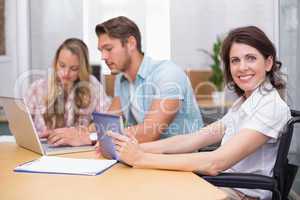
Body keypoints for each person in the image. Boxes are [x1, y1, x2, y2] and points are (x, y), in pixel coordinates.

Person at [106, 26, 291, 200]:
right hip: (221, 185)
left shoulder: (271, 107)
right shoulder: (245, 103)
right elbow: (193, 139)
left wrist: (140, 157)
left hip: (238, 193)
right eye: (235, 60)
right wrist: (128, 148)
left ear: (268, 63)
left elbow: (215, 163)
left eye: (251, 58)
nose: (242, 67)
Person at [95, 16, 203, 143]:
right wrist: (82, 132)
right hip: (149, 154)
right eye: (101, 51)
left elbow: (149, 132)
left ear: (131, 43)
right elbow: (108, 123)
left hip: (184, 157)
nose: (103, 57)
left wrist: (91, 136)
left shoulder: (167, 73)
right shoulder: (121, 79)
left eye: (108, 49)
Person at [25, 38, 111, 146]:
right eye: (62, 65)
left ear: (82, 69)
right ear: (55, 63)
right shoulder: (37, 88)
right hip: (44, 146)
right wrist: (39, 135)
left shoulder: (92, 86)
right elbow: (22, 128)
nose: (65, 73)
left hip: (77, 151)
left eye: (74, 68)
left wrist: (85, 131)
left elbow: (109, 122)